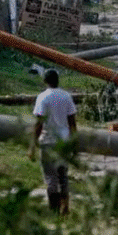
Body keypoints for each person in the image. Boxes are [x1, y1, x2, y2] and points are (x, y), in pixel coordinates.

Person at [29, 69, 77, 215]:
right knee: (63, 175)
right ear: (57, 80)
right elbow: (72, 123)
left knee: (51, 177)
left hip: (48, 141)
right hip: (63, 140)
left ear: (45, 81)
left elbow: (39, 123)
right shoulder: (66, 96)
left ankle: (54, 210)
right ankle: (65, 206)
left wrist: (32, 145)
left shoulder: (43, 98)